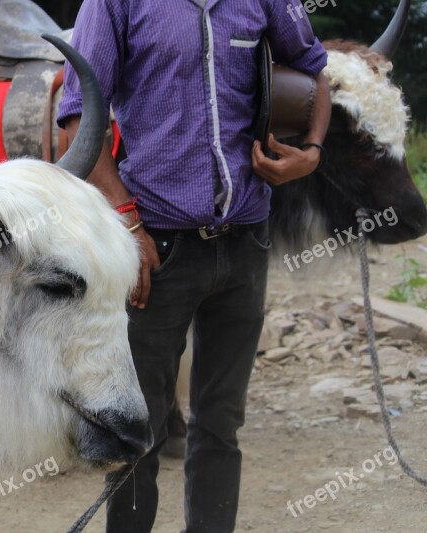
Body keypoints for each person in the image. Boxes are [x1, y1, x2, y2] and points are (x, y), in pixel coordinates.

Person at [58, 1, 332, 531]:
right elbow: (76, 118)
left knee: (220, 424)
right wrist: (128, 225)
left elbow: (315, 72)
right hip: (156, 251)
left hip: (247, 242)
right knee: (142, 430)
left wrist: (313, 150)